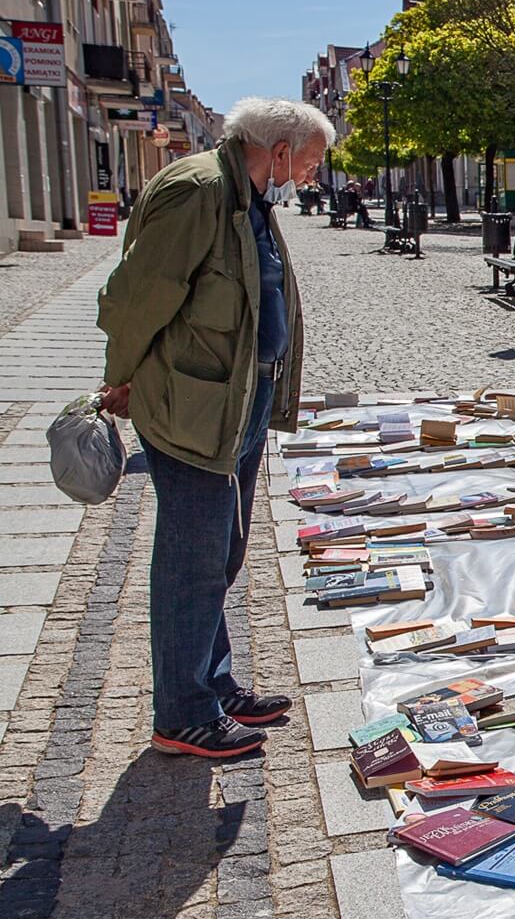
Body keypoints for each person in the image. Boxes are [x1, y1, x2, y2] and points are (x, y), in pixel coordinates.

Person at [95, 97, 335, 758]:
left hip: (237, 401)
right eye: (310, 161)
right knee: (192, 560)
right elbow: (136, 294)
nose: (312, 175)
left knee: (221, 553)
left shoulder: (247, 193)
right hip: (192, 404)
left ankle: (212, 684)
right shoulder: (199, 190)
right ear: (278, 150)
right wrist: (122, 376)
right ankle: (181, 714)